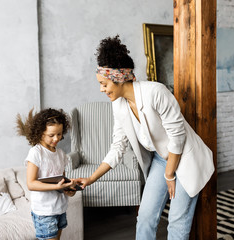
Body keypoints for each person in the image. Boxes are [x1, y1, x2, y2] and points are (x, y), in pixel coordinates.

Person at [76, 35, 215, 240]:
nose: (101, 89)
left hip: (185, 157)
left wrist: (169, 175)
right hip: (161, 158)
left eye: (104, 84)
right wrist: (90, 178)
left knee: (177, 224)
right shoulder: (118, 105)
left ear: (119, 78)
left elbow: (178, 136)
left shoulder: (156, 92)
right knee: (145, 217)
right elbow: (117, 147)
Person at [16, 108, 77, 240]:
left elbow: (61, 180)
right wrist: (56, 187)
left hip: (60, 208)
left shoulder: (60, 154)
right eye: (51, 135)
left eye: (59, 134)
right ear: (40, 132)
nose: (56, 138)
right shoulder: (36, 153)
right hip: (44, 211)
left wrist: (69, 189)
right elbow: (31, 184)